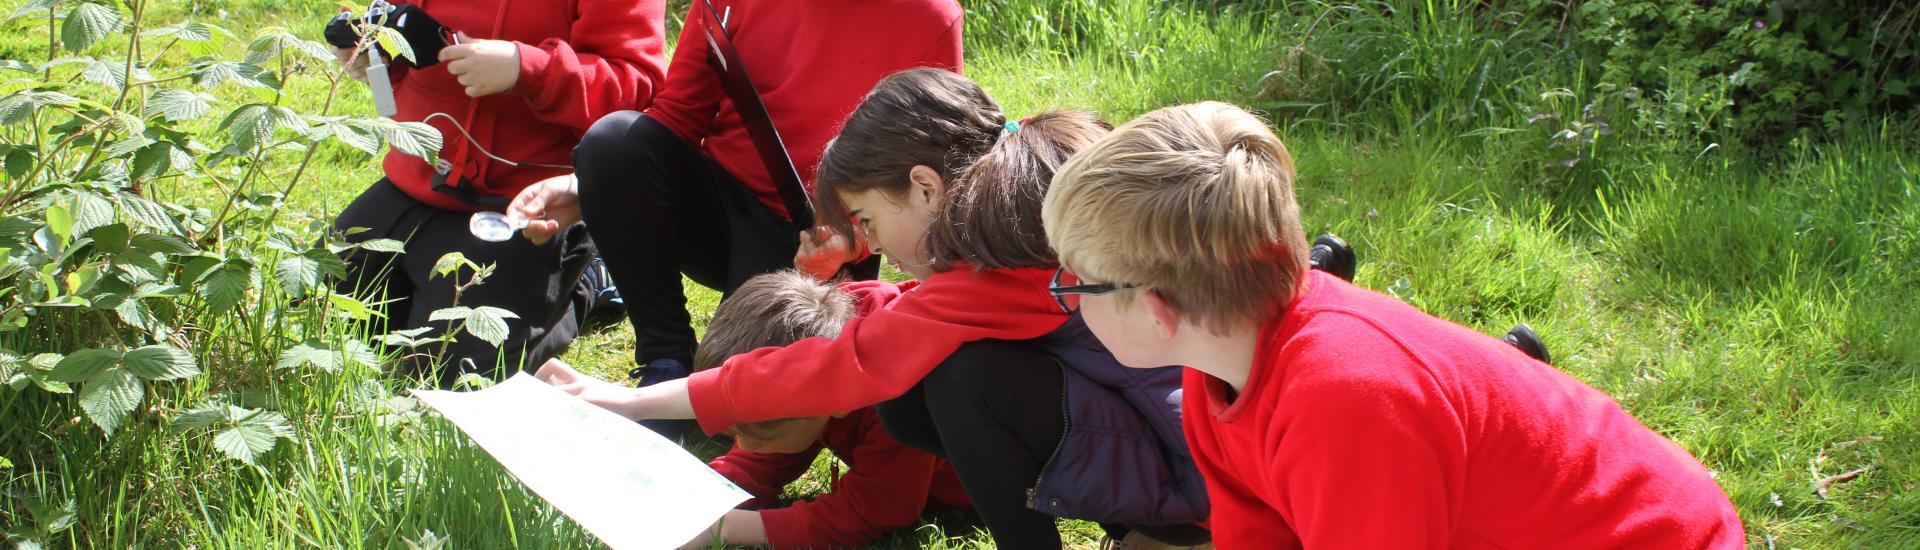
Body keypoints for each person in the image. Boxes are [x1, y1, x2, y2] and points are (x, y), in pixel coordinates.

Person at [543, 69, 1212, 549]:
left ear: (924, 188)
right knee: (933, 385)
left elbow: (838, 369)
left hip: (1197, 470)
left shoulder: (993, 266)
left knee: (951, 382)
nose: (875, 247)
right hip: (1182, 440)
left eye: (866, 218)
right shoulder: (1014, 224)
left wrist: (629, 402)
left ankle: (1166, 533)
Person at [1039, 101, 1747, 548]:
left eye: (1074, 281)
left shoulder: (1346, 399)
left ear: (1158, 309)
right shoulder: (1217, 371)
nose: (1062, 295)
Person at [507, 1, 966, 436]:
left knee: (749, 401)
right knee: (611, 142)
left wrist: (853, 241)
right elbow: (675, 117)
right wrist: (585, 184)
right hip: (723, 201)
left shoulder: (931, 17)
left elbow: (928, 172)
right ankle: (664, 355)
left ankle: (694, 376)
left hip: (828, 235)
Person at [330, 0, 667, 386]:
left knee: (457, 370)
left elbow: (639, 91)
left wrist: (528, 68)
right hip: (415, 179)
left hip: (523, 202)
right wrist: (374, 53)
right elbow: (400, 26)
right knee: (316, 313)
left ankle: (589, 274)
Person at [542, 269, 971, 549]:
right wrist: (695, 496)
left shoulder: (902, 397)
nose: (745, 444)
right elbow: (764, 460)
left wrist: (722, 529)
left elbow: (871, 512)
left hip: (977, 492)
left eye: (758, 433)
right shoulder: (825, 330)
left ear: (834, 400)